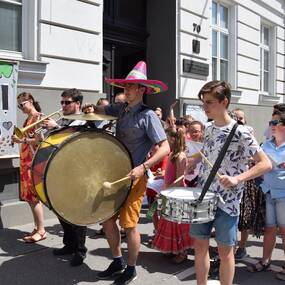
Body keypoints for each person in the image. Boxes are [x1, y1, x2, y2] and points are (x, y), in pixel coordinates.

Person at [187, 80, 272, 285]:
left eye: (209, 102)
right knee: (200, 246)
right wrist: (194, 160)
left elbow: (265, 164)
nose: (205, 107)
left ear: (224, 102)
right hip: (204, 195)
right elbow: (209, 151)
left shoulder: (241, 132)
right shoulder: (208, 129)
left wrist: (238, 178)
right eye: (203, 103)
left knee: (225, 251)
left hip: (228, 200)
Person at [94, 61, 170, 285]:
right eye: (124, 87)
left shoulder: (149, 116)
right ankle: (117, 260)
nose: (125, 90)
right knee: (107, 221)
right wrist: (91, 108)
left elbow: (165, 147)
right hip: (116, 175)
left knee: (129, 225)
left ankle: (131, 268)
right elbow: (101, 110)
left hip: (135, 178)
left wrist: (143, 167)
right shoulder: (121, 109)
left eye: (130, 87)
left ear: (142, 90)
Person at [43, 88, 87, 267]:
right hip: (61, 170)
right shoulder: (64, 120)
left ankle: (80, 250)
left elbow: (78, 142)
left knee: (77, 213)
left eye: (67, 102)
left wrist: (57, 128)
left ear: (77, 103)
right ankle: (69, 245)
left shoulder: (85, 121)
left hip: (78, 172)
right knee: (61, 209)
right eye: (62, 102)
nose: (63, 105)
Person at [247, 111, 285, 281]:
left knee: (284, 231)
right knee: (269, 228)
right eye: (272, 123)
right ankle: (265, 261)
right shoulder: (267, 145)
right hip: (268, 191)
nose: (273, 126)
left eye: (276, 123)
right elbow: (258, 161)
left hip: (283, 194)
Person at [152, 128, 193, 264]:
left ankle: (183, 253)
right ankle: (172, 249)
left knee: (178, 226)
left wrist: (166, 190)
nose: (166, 140)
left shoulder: (181, 156)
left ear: (174, 139)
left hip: (176, 194)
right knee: (169, 224)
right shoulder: (172, 154)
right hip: (169, 192)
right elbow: (170, 174)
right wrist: (162, 175)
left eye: (168, 138)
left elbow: (180, 179)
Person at [12, 92, 46, 243]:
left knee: (33, 198)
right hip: (26, 161)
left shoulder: (37, 117)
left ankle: (41, 230)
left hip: (33, 161)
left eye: (23, 104)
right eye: (19, 105)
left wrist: (22, 140)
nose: (21, 108)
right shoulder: (28, 119)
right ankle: (37, 226)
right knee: (29, 198)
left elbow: (40, 141)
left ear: (30, 101)